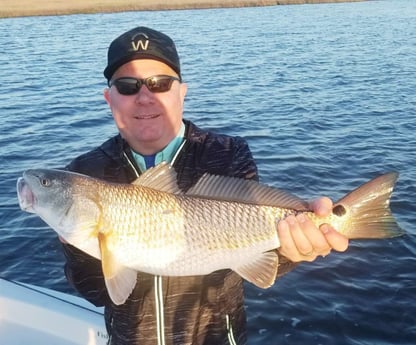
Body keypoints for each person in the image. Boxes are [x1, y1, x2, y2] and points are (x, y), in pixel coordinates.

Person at [61, 26, 349, 345]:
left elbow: (256, 254)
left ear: (181, 92)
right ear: (108, 98)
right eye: (127, 86)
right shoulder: (86, 172)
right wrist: (75, 241)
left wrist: (294, 247)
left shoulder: (225, 152)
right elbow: (97, 292)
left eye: (160, 83)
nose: (144, 97)